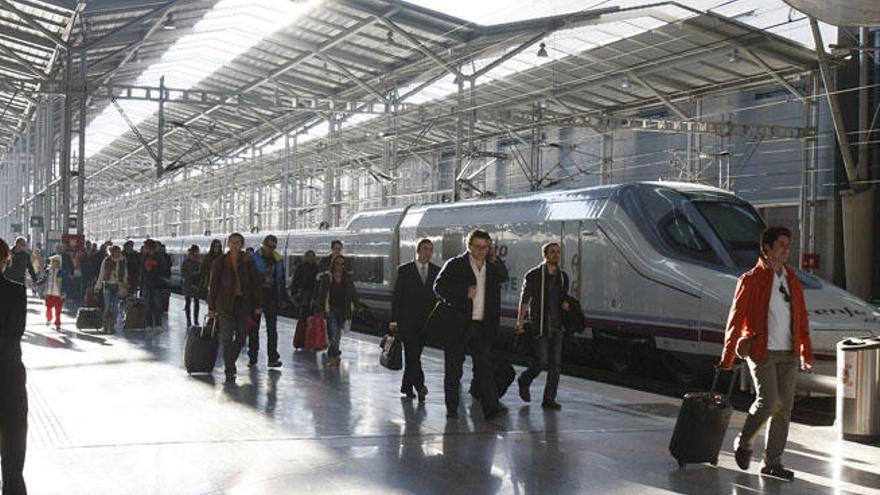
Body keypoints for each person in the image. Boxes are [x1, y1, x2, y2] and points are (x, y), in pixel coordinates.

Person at [720, 226, 813, 482]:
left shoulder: (792, 280)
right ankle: (744, 441)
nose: (786, 250)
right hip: (762, 351)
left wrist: (805, 350)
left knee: (784, 410)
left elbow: (801, 318)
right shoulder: (750, 280)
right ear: (767, 248)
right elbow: (736, 318)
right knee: (768, 401)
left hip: (788, 352)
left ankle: (772, 463)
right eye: (781, 245)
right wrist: (728, 356)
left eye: (788, 245)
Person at [434, 229, 507, 421]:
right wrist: (463, 293)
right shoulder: (455, 265)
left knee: (485, 369)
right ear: (469, 246)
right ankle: (452, 408)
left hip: (482, 325)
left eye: (486, 247)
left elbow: (504, 276)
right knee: (453, 370)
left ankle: (491, 410)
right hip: (458, 325)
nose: (482, 251)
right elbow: (439, 287)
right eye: (478, 247)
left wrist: (495, 260)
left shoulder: (491, 268)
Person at [515, 242, 571, 410]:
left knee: (556, 365)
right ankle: (524, 380)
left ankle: (549, 399)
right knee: (541, 361)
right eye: (552, 252)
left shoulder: (563, 277)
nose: (556, 255)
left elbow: (563, 297)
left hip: (557, 325)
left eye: (558, 252)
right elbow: (525, 299)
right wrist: (520, 321)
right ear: (545, 255)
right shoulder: (533, 275)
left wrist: (566, 305)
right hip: (539, 324)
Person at [207, 233, 263, 384]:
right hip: (225, 304)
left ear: (242, 244)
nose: (235, 245)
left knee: (241, 336)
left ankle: (229, 361)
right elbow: (214, 285)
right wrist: (211, 307)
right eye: (232, 242)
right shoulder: (220, 262)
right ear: (228, 244)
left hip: (242, 304)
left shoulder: (248, 261)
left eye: (238, 242)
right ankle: (229, 369)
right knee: (226, 337)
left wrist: (258, 304)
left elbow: (256, 284)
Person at [390, 239, 440, 402]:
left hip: (426, 323)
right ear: (417, 251)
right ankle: (420, 386)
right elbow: (397, 297)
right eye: (425, 249)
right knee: (412, 354)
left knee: (415, 356)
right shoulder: (405, 270)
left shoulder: (436, 271)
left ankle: (406, 386)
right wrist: (394, 319)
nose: (428, 253)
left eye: (430, 250)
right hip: (407, 322)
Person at [0, 237, 29, 494]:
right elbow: (15, 333)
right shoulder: (16, 291)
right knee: (12, 462)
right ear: (5, 261)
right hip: (9, 377)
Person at [316, 254, 363, 367]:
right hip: (331, 308)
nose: (340, 266)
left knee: (337, 334)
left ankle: (334, 353)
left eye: (342, 264)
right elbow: (322, 294)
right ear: (333, 264)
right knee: (333, 332)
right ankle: (333, 355)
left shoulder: (347, 278)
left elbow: (353, 293)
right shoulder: (327, 277)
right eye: (337, 263)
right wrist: (319, 308)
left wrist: (358, 305)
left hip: (344, 309)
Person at [250, 235, 288, 368]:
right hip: (257, 298)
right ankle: (253, 355)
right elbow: (249, 281)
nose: (271, 249)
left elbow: (280, 280)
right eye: (269, 246)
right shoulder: (253, 258)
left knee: (272, 330)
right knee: (254, 329)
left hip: (271, 297)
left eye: (274, 247)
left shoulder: (277, 259)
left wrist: (283, 298)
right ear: (263, 245)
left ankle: (273, 357)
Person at [95, 245, 128, 334]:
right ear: (112, 252)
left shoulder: (122, 261)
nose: (117, 253)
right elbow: (101, 273)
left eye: (118, 251)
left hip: (118, 285)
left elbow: (125, 273)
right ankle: (105, 325)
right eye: (116, 251)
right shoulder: (106, 260)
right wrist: (98, 286)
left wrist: (125, 284)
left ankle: (112, 325)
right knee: (108, 306)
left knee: (115, 308)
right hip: (108, 285)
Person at [37, 255, 70, 331]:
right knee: (48, 308)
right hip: (49, 293)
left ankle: (58, 324)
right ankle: (49, 318)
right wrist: (37, 283)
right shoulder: (48, 270)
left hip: (58, 295)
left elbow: (66, 283)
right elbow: (44, 279)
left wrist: (64, 292)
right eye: (52, 261)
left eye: (54, 261)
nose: (52, 263)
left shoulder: (62, 272)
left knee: (58, 311)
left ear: (58, 263)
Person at [140, 240, 167, 330]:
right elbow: (142, 271)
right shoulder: (144, 257)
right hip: (147, 284)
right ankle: (149, 324)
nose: (144, 249)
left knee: (157, 305)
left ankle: (158, 324)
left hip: (157, 284)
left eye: (145, 247)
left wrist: (152, 269)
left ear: (149, 247)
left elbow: (163, 269)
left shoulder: (159, 257)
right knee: (147, 305)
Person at [290, 250, 318, 316]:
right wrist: (294, 293)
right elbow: (295, 281)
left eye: (312, 256)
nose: (310, 258)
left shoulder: (316, 268)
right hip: (303, 293)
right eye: (309, 256)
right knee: (304, 311)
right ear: (305, 257)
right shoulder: (300, 267)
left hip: (313, 293)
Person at [180, 245, 201, 327]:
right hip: (188, 286)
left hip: (195, 286)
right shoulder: (185, 262)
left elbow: (201, 273)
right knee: (188, 303)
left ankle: (196, 320)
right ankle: (188, 320)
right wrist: (191, 274)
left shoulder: (198, 262)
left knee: (196, 303)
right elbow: (183, 273)